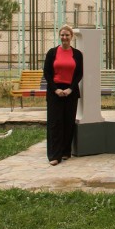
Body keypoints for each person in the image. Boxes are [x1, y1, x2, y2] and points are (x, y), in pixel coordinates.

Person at [43, 25, 83, 166]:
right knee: (55, 123)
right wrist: (56, 90)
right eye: (62, 35)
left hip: (70, 92)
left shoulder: (77, 54)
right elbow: (47, 73)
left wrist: (70, 89)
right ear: (59, 36)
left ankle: (66, 151)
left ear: (71, 37)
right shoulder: (52, 53)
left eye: (67, 35)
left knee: (68, 122)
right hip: (55, 92)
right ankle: (54, 155)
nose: (64, 37)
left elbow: (79, 74)